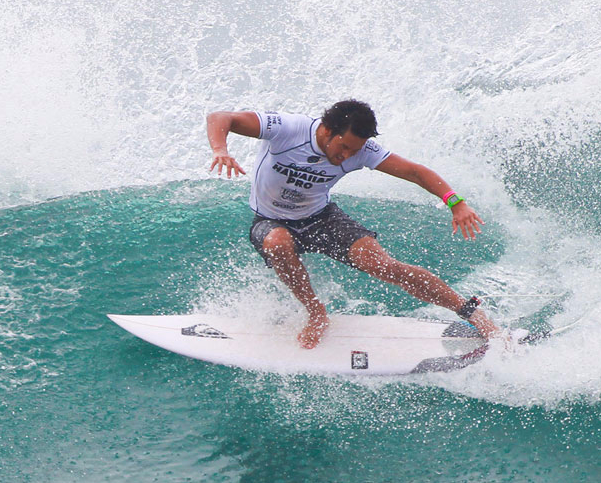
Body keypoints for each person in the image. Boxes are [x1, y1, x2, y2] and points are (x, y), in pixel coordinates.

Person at [206, 99, 502, 349]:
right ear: (327, 130)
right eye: (344, 146)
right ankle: (315, 312)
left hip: (321, 217)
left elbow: (414, 172)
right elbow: (220, 117)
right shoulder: (288, 129)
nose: (347, 155)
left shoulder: (362, 150)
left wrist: (455, 202)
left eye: (354, 150)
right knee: (277, 243)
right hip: (270, 219)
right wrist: (220, 150)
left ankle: (471, 313)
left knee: (383, 265)